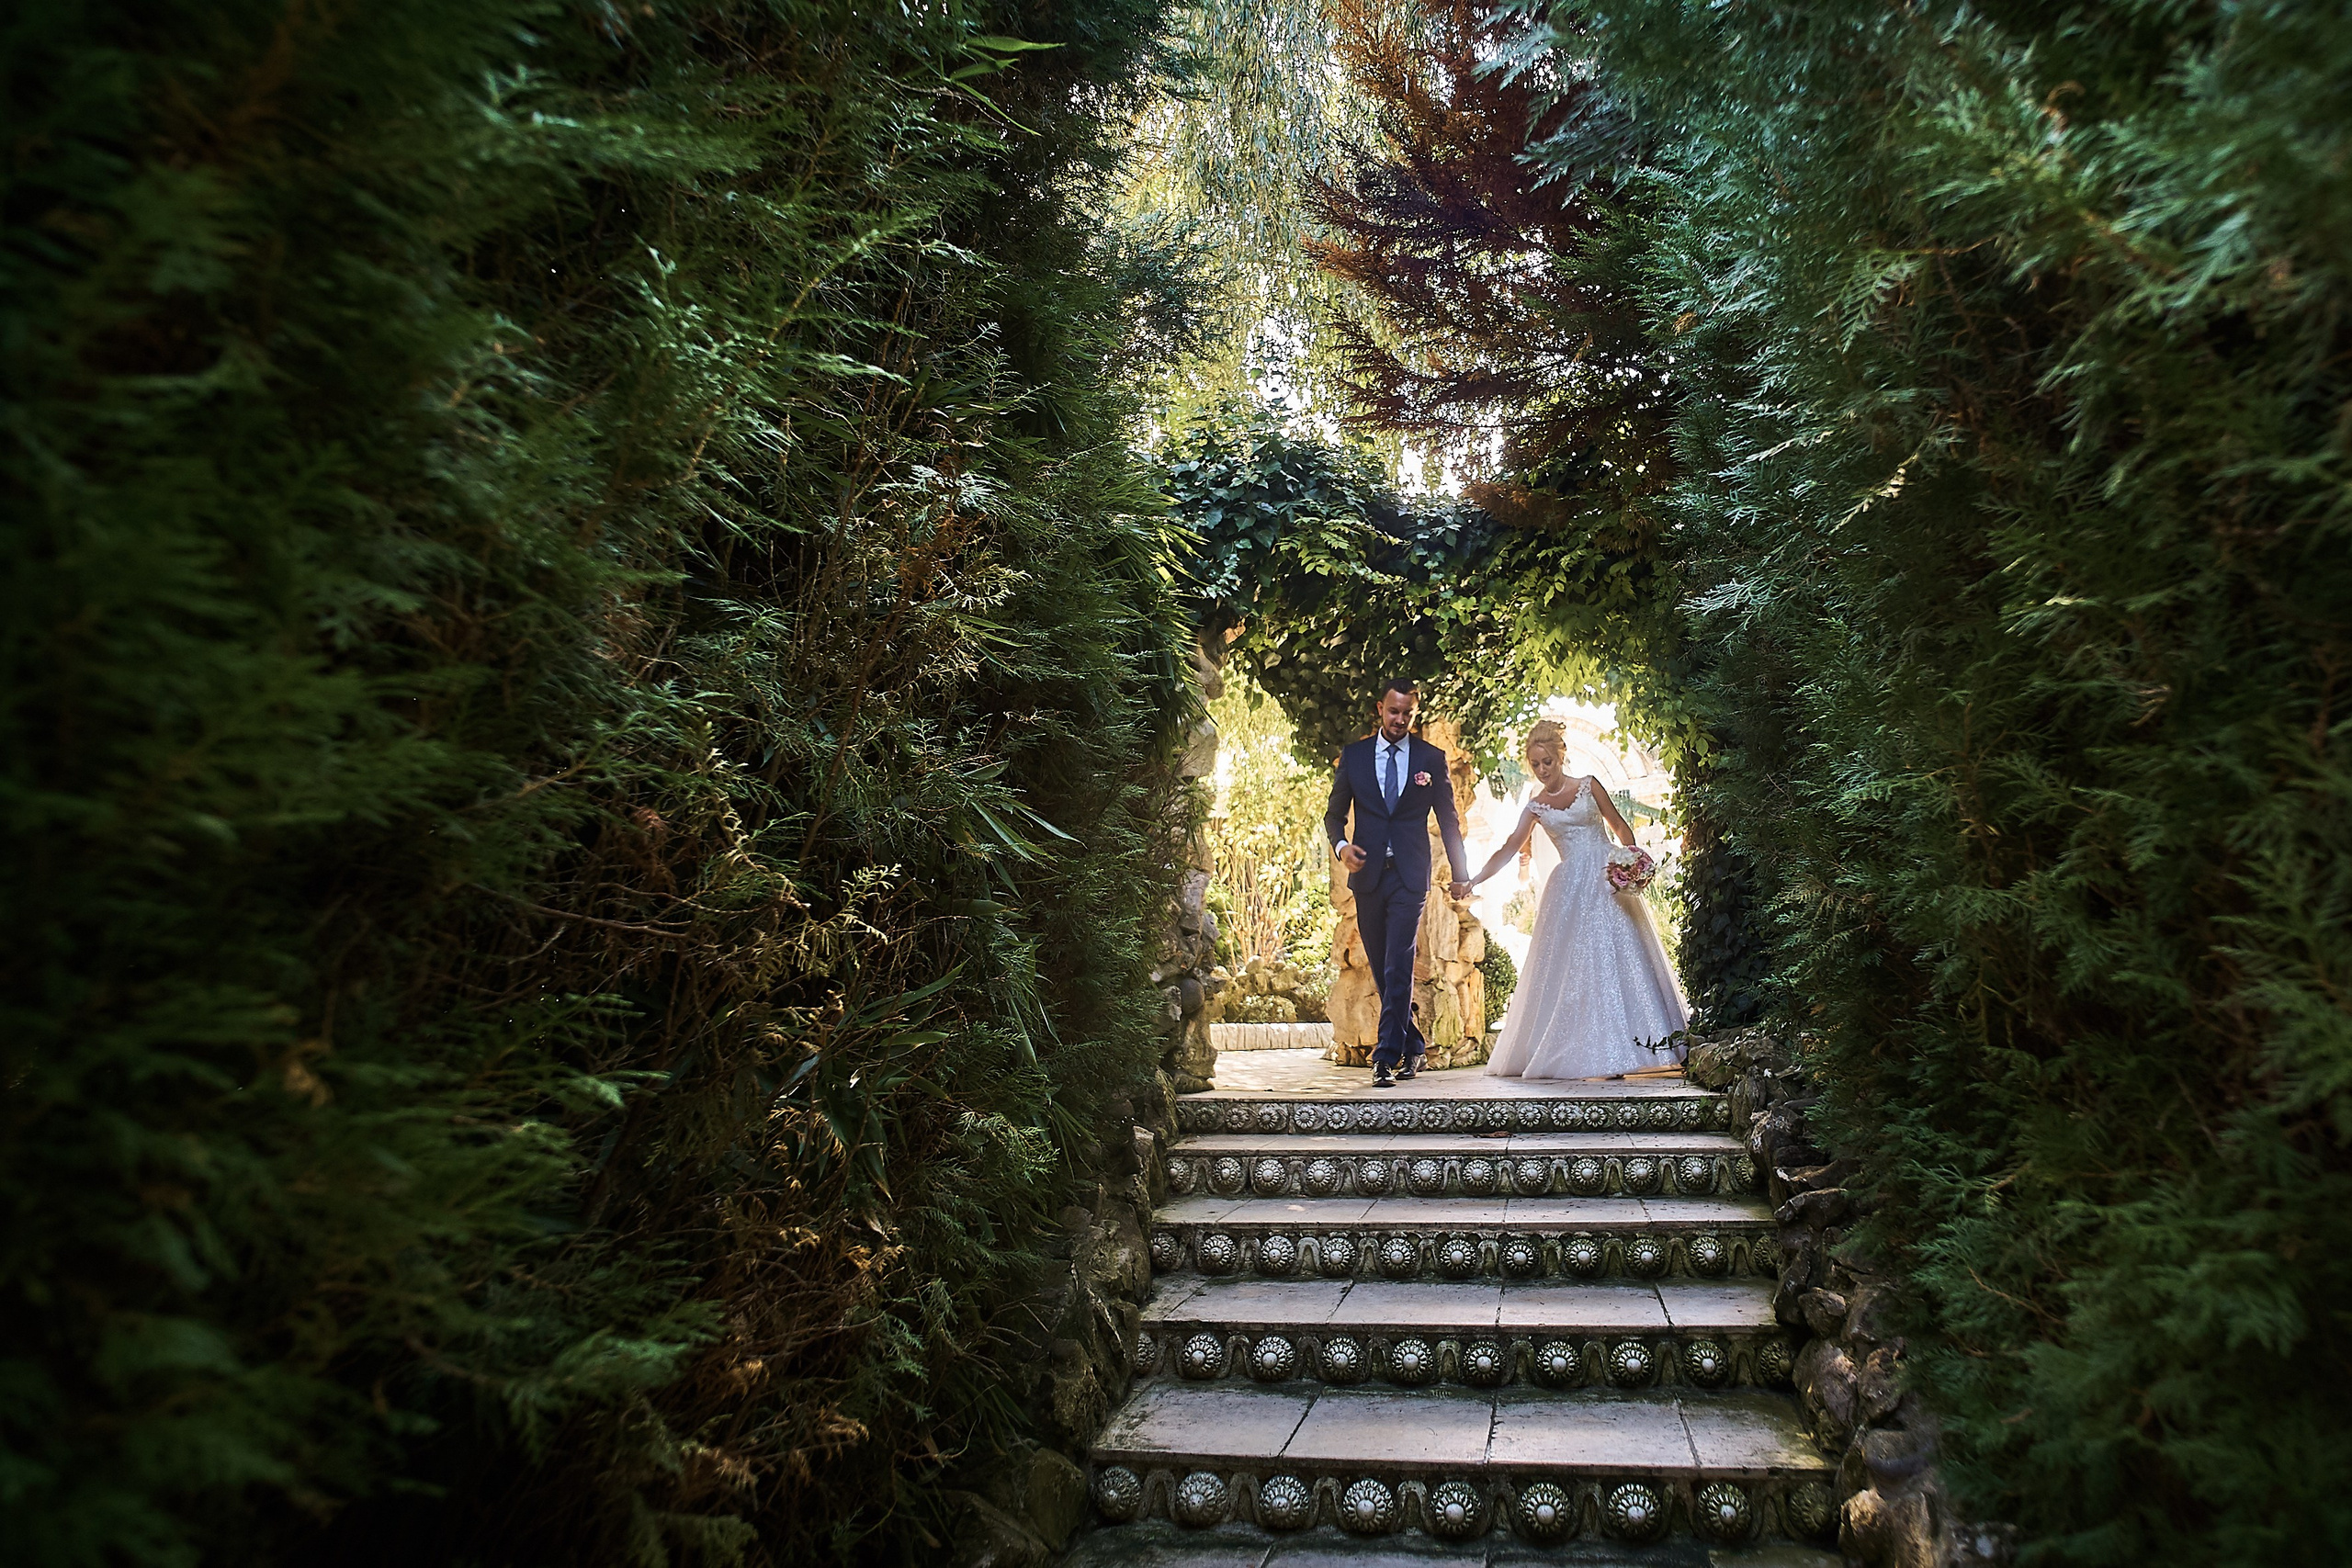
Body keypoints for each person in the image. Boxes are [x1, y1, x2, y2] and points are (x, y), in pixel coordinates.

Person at [1470, 719, 1688, 1079]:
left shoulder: (1589, 786)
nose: (1542, 770)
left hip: (1606, 877)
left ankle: (1638, 1044)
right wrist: (1475, 878)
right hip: (1569, 888)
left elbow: (1618, 825)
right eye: (1535, 764)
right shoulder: (1536, 807)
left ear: (1561, 756)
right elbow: (1509, 847)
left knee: (1622, 958)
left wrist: (1630, 863)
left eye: (1547, 762)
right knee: (1578, 966)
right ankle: (1593, 1051)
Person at [1325, 678, 1472, 1088]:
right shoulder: (1353, 758)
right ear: (1380, 709)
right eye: (1394, 711)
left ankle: (1384, 1057)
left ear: (1414, 713)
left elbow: (1448, 821)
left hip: (1410, 877)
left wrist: (1461, 875)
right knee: (1384, 971)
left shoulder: (1430, 758)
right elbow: (1333, 816)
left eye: (1407, 713)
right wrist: (1341, 848)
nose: (1400, 719)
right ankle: (1414, 1047)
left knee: (1399, 961)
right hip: (1368, 877)